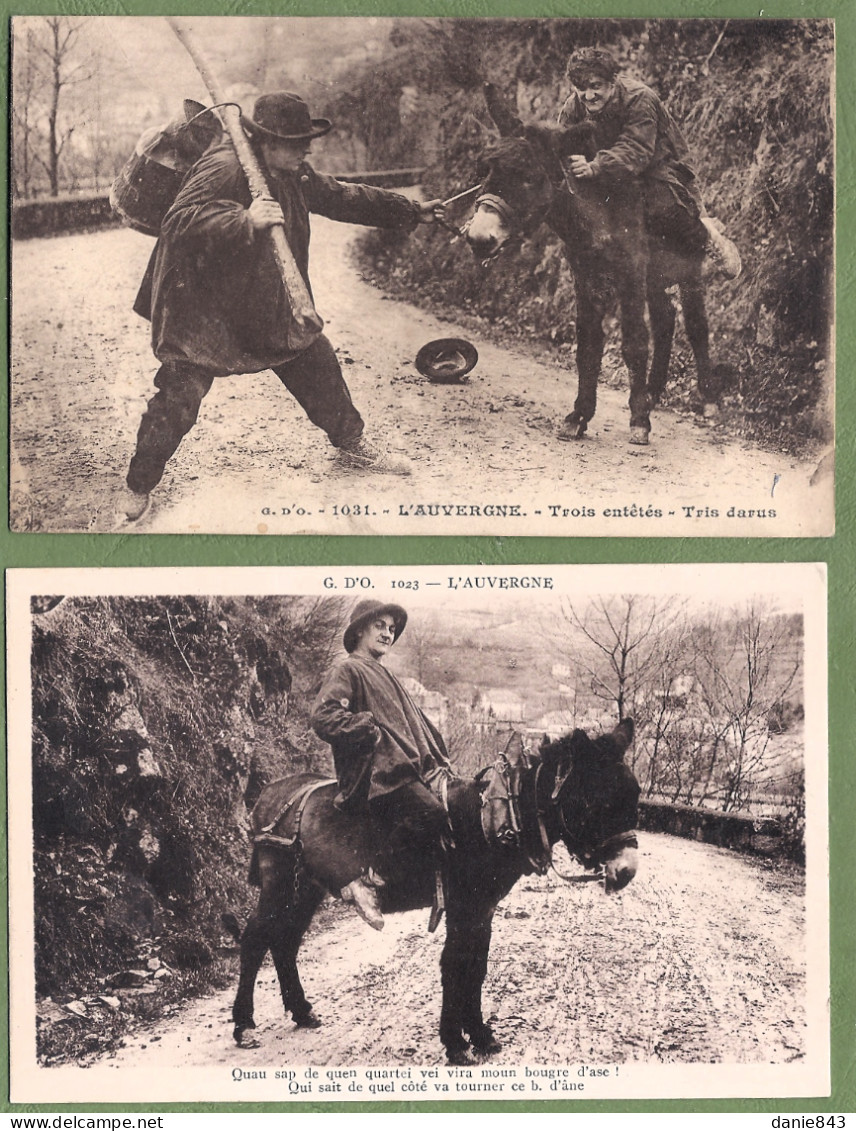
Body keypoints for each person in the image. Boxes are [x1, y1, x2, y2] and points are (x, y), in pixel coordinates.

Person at [119, 91, 442, 523]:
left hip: (262, 298)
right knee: (180, 397)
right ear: (267, 141)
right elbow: (179, 221)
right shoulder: (225, 165)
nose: (306, 147)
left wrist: (410, 210)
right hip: (202, 307)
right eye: (296, 141)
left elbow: (341, 196)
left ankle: (352, 443)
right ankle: (139, 484)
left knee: (315, 357)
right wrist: (242, 220)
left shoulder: (291, 172)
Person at [310, 600, 452, 930]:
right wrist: (363, 726)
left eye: (391, 629)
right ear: (360, 629)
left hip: (399, 770)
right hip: (375, 775)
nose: (388, 634)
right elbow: (322, 716)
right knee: (431, 814)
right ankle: (366, 880)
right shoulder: (349, 669)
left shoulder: (384, 673)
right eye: (380, 626)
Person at [557, 47, 742, 279]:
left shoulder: (639, 98)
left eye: (596, 86)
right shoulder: (573, 109)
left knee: (664, 210)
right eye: (581, 89)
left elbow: (637, 149)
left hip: (659, 169)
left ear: (612, 81)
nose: (589, 96)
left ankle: (710, 238)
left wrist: (595, 166)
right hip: (610, 178)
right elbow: (562, 148)